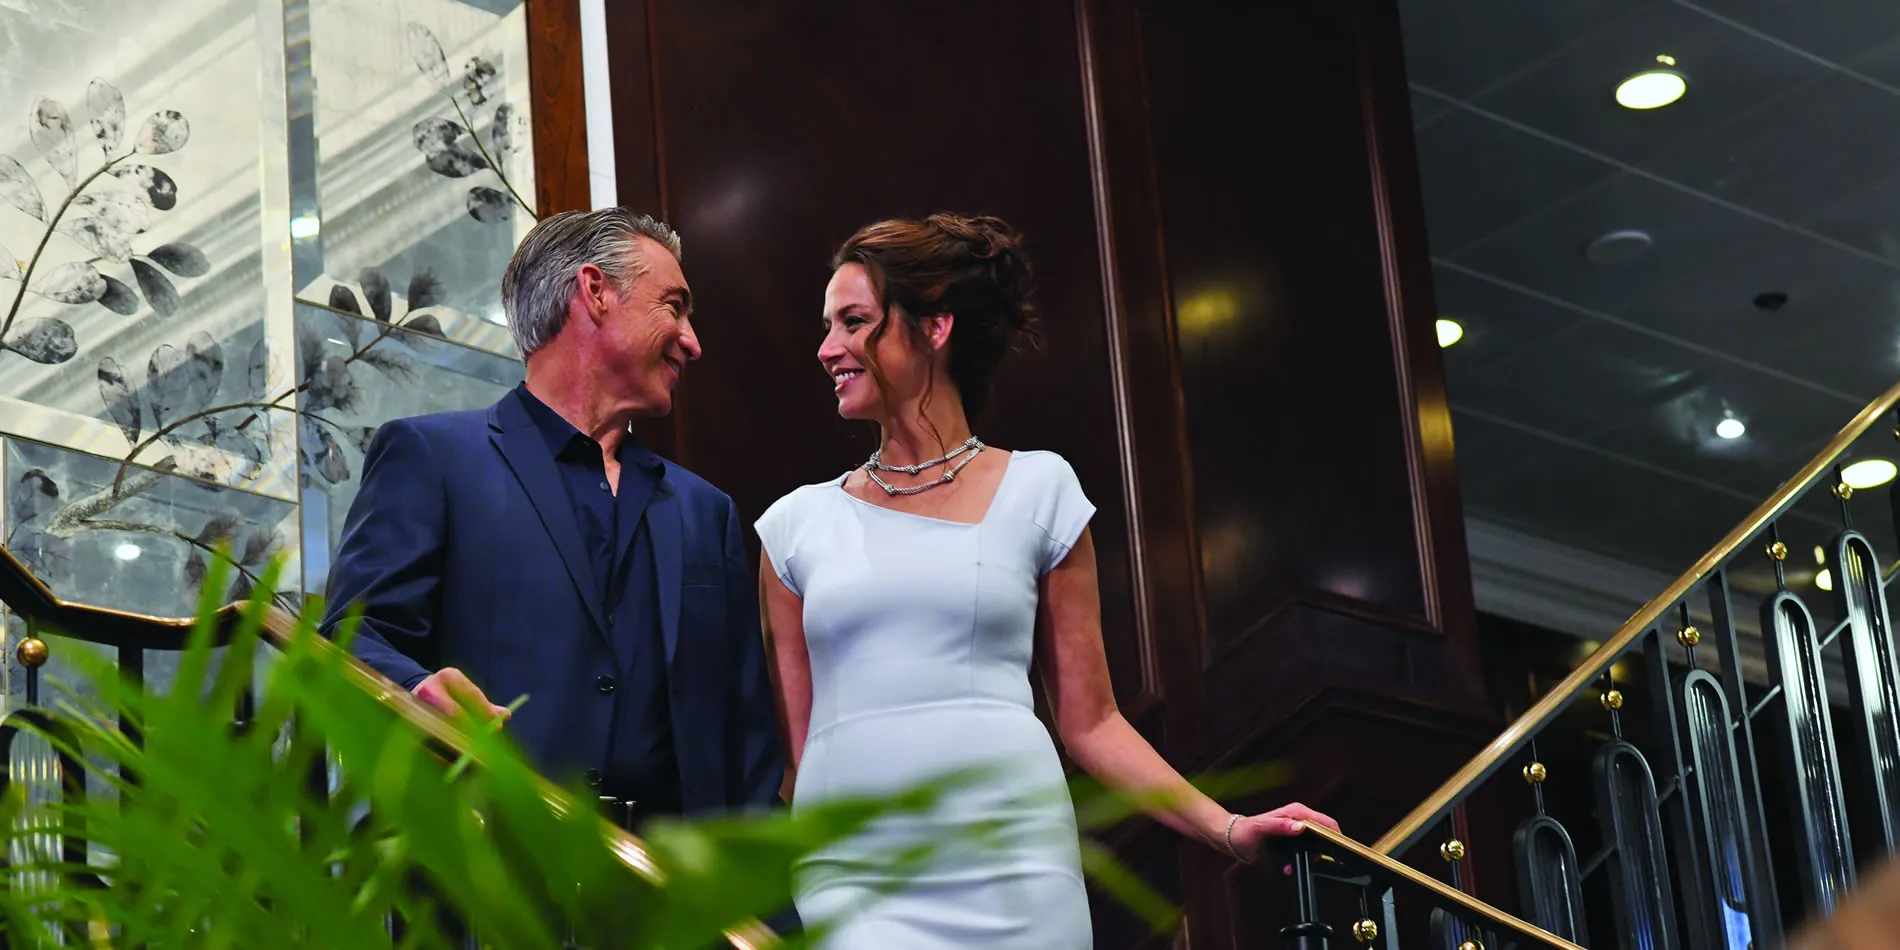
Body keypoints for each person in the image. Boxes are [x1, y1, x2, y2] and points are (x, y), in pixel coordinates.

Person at [754, 212, 1339, 948]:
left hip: (1014, 863)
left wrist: (1226, 828)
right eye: (828, 324)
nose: (827, 348)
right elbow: (800, 755)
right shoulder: (794, 528)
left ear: (934, 328)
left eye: (853, 321)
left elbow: (1091, 721)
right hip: (860, 870)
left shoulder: (1040, 489)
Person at [320, 208, 784, 835]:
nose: (693, 339)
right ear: (594, 292)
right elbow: (352, 639)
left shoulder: (708, 513)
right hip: (487, 888)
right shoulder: (432, 459)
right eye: (673, 306)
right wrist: (417, 686)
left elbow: (745, 744)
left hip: (669, 903)